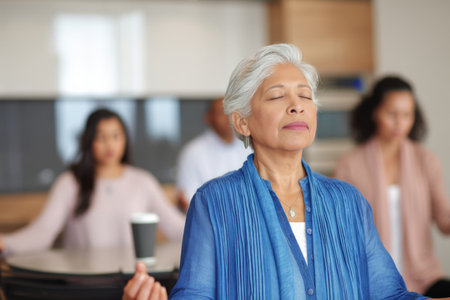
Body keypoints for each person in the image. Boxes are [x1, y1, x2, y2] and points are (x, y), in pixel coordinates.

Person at [122, 44, 440, 299]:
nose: (297, 105)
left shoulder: (348, 201)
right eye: (277, 96)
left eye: (305, 95)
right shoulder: (214, 202)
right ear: (242, 121)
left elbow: (389, 295)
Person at [0, 108, 185, 256]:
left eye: (116, 136)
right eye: (101, 137)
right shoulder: (69, 183)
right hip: (82, 285)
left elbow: (176, 228)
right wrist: (5, 243)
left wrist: (210, 225)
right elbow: (43, 232)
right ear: (89, 142)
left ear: (125, 140)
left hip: (130, 282)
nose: (109, 144)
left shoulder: (143, 182)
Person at [334, 76, 450, 297]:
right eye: (392, 114)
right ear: (375, 112)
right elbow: (339, 230)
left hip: (424, 277)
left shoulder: (426, 160)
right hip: (370, 279)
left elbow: (444, 219)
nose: (400, 123)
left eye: (407, 115)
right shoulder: (349, 164)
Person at [175, 97, 252, 211]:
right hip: (209, 223)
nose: (228, 118)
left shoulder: (250, 147)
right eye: (222, 113)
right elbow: (188, 201)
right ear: (208, 118)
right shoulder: (192, 152)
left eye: (232, 112)